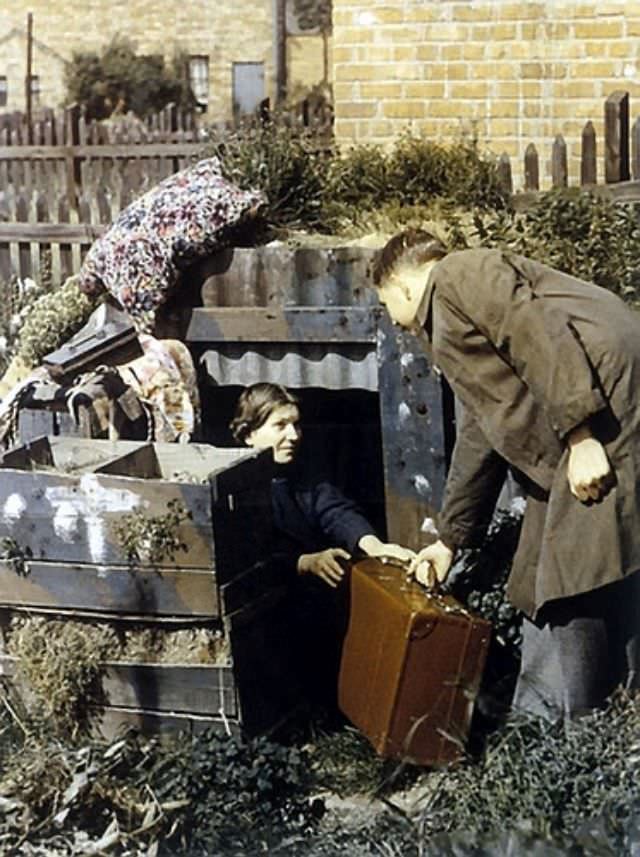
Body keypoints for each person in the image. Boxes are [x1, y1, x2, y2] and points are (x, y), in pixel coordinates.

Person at [372, 228, 640, 720]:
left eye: (386, 305)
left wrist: (581, 437)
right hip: (588, 418)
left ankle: (585, 734)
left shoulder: (458, 275)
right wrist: (450, 539)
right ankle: (543, 729)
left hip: (606, 413)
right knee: (538, 575)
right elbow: (481, 427)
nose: (393, 321)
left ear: (402, 284)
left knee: (575, 576)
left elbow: (535, 330)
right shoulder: (451, 318)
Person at [230, 382, 415, 710]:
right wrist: (303, 563)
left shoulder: (299, 471)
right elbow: (246, 552)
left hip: (301, 596)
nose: (294, 435)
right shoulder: (233, 485)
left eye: (296, 424)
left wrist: (374, 546)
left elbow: (333, 508)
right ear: (248, 434)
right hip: (262, 611)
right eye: (280, 426)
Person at [77, 156, 265, 336]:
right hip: (188, 191)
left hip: (190, 222)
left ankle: (245, 205)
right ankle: (240, 197)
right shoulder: (104, 243)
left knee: (208, 224)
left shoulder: (126, 287)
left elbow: (148, 329)